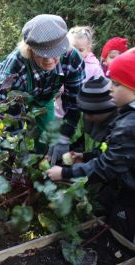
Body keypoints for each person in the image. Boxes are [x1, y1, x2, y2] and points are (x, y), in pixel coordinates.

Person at [47, 49, 135, 243]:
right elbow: (114, 153)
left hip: (130, 193)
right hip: (125, 186)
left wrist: (65, 173)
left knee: (124, 236)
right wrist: (85, 156)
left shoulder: (129, 125)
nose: (110, 88)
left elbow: (109, 166)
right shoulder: (126, 116)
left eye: (117, 84)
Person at [0, 14, 85, 164]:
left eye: (53, 53)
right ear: (29, 49)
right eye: (42, 54)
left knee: (48, 140)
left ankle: (42, 167)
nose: (48, 60)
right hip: (14, 102)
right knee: (9, 142)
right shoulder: (14, 67)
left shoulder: (72, 58)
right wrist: (14, 142)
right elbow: (7, 111)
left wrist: (65, 134)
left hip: (44, 99)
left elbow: (75, 100)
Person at [55, 26, 104, 118]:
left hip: (81, 113)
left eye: (80, 50)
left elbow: (100, 91)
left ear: (89, 49)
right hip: (59, 112)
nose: (76, 53)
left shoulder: (94, 68)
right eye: (73, 48)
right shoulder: (62, 62)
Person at [69, 76, 117, 160]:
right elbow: (79, 138)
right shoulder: (86, 117)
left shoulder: (118, 129)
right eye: (84, 112)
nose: (87, 117)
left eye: (91, 114)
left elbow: (108, 160)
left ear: (107, 110)